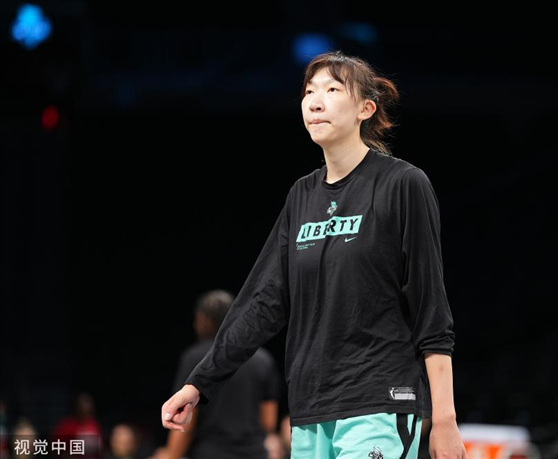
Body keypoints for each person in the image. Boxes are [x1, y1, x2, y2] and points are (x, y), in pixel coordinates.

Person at [161, 50, 468, 459]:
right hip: (310, 411)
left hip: (379, 400)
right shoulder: (301, 195)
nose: (315, 102)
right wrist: (199, 383)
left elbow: (430, 307)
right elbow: (262, 301)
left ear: (365, 109)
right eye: (309, 91)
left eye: (333, 90)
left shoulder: (403, 184)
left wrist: (444, 419)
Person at [158, 289, 281, 459]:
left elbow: (185, 421)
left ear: (204, 320)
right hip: (253, 453)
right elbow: (268, 421)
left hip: (210, 453)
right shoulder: (263, 360)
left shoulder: (194, 358)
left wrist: (171, 456)